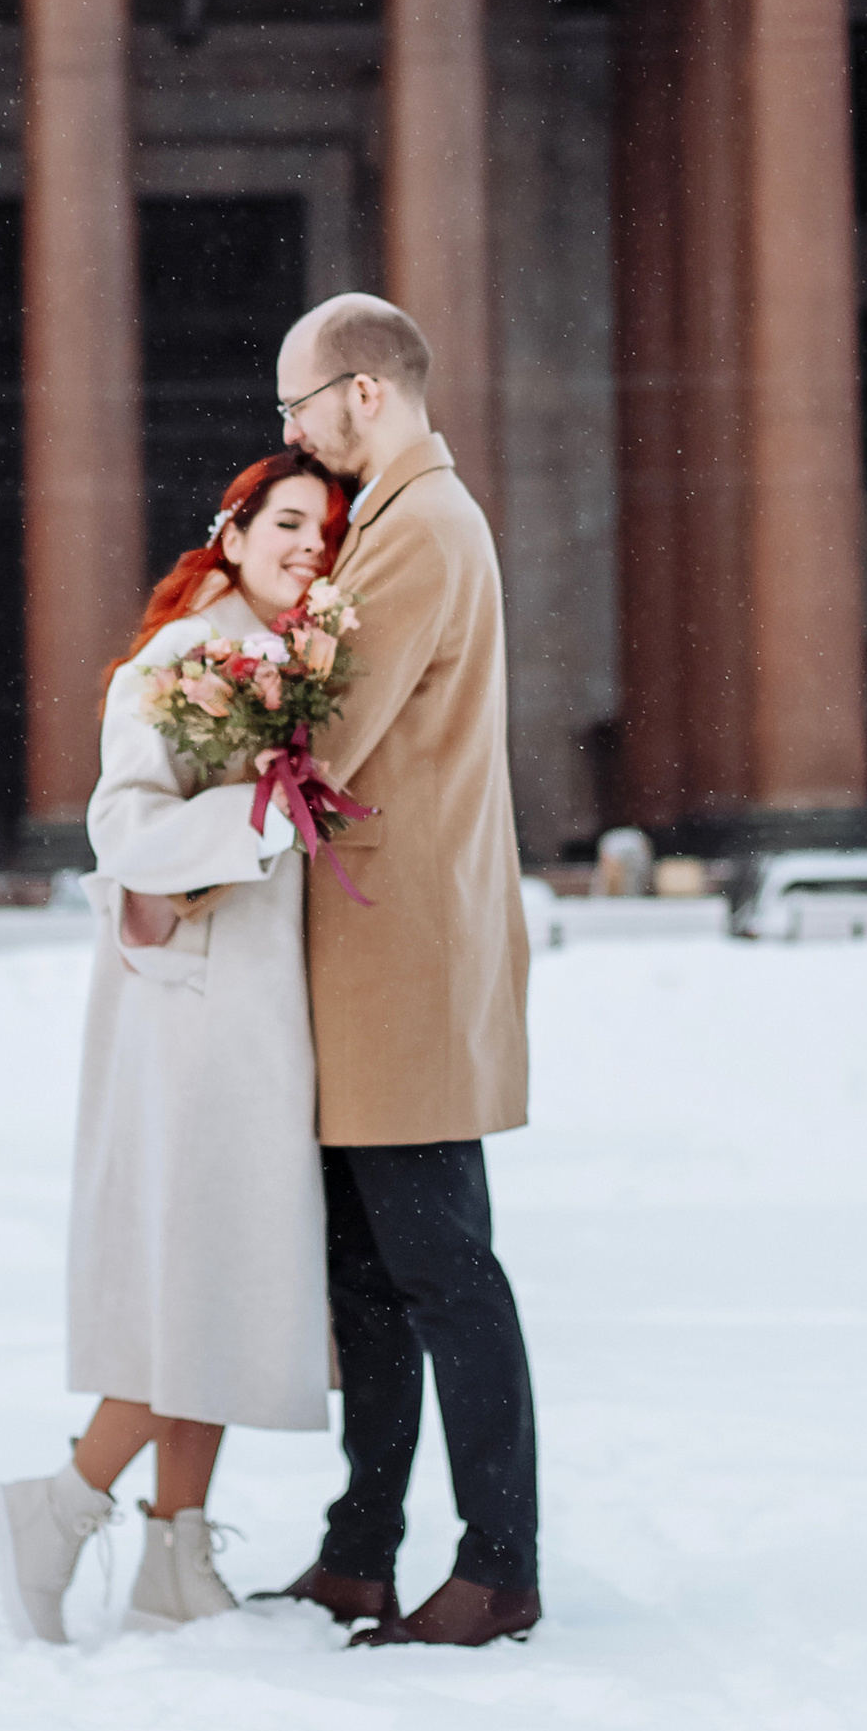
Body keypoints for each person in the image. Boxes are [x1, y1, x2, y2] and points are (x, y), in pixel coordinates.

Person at [0, 451, 349, 1644]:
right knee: (203, 1275)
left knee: (218, 1274)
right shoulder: (179, 658)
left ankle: (174, 1547)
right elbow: (121, 827)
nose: (308, 546)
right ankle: (66, 1504)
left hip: (253, 1012)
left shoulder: (297, 661)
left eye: (328, 532)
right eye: (288, 521)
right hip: (187, 1020)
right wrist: (260, 809)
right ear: (230, 533)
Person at [259, 292, 540, 1648]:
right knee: (372, 1279)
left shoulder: (420, 525)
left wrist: (210, 722)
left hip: (407, 956)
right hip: (379, 955)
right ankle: (360, 1547)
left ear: (363, 392)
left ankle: (498, 1563)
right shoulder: (400, 520)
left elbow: (327, 730)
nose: (294, 436)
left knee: (441, 1272)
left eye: (298, 407)